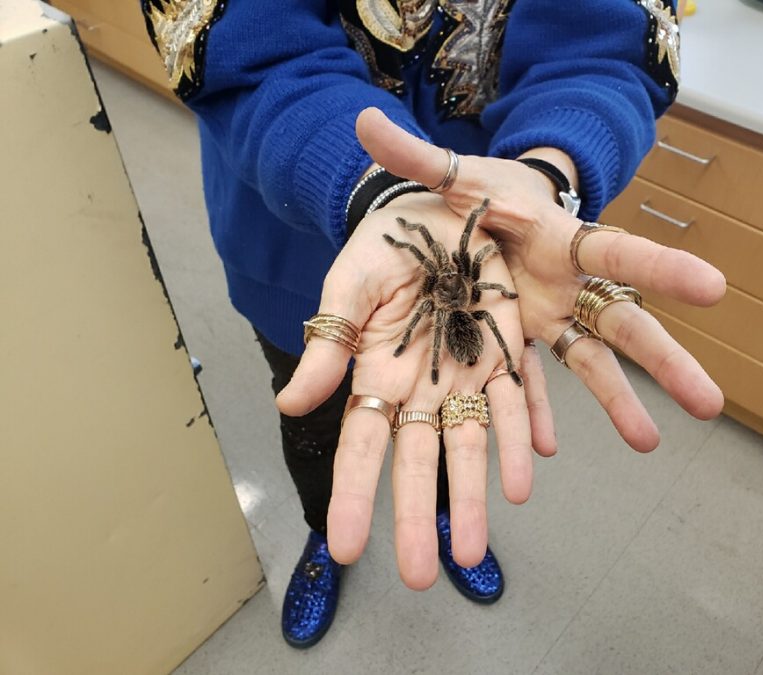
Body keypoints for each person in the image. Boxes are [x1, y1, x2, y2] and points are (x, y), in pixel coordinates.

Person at [142, 0, 723, 649]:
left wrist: (542, 176)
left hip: (491, 206)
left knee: (452, 406)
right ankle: (324, 532)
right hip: (287, 227)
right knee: (313, 413)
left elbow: (602, 36)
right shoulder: (414, 272)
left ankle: (447, 518)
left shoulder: (469, 283)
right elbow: (246, 46)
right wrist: (384, 191)